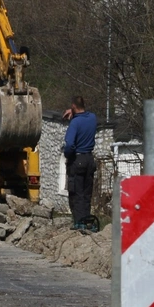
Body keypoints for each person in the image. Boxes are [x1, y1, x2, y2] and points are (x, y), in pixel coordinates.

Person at [63, 95, 98, 231]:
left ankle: (79, 223)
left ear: (73, 106)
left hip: (77, 159)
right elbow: (85, 116)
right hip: (90, 159)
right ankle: (87, 220)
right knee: (86, 192)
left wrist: (68, 155)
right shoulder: (92, 118)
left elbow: (70, 144)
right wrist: (74, 114)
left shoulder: (75, 123)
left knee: (76, 193)